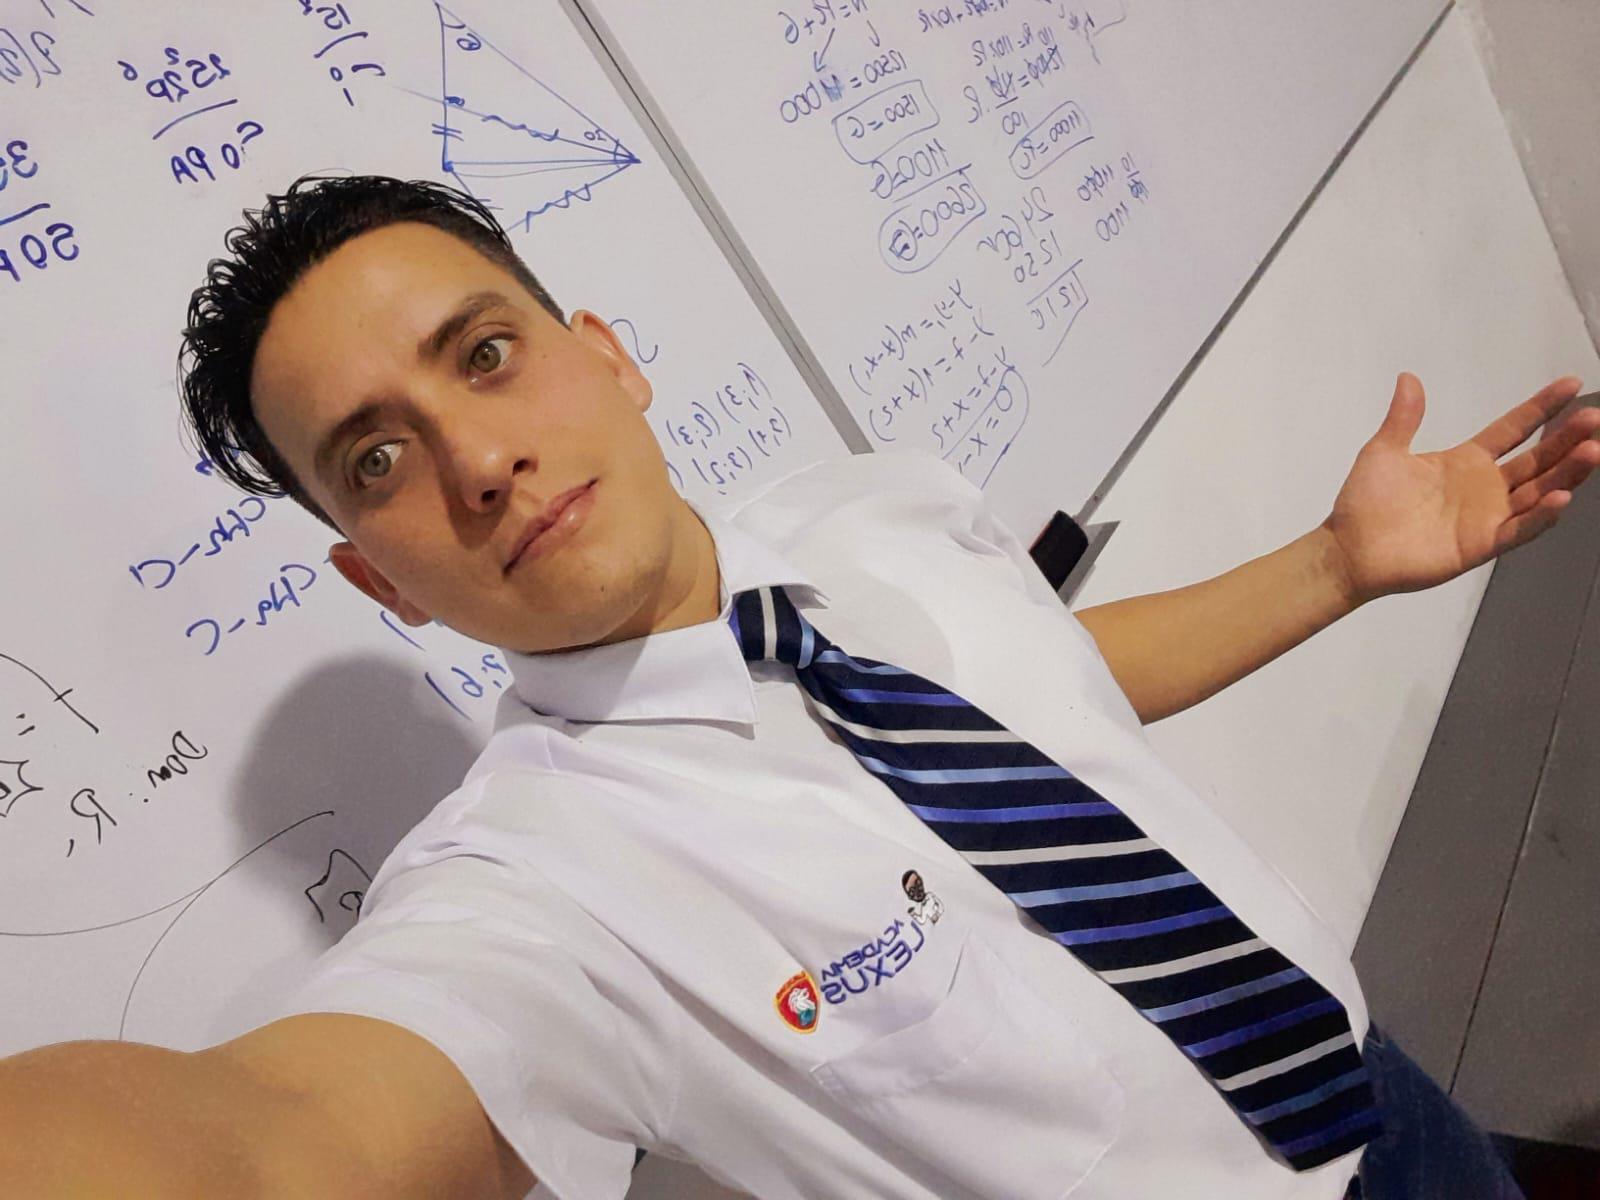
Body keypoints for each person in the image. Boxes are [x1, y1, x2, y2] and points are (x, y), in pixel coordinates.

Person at [2, 174, 1590, 1199]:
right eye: (375, 460)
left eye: (482, 355)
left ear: (607, 354)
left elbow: (1049, 695)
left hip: (1382, 1090)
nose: (477, 459)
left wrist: (1334, 564)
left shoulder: (873, 507)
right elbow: (285, 1135)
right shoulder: (532, 892)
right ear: (380, 579)